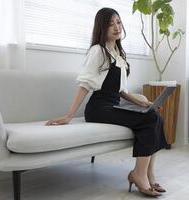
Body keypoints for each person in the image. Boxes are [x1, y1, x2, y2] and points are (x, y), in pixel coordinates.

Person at [46, 7, 167, 197]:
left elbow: (121, 91)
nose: (116, 27)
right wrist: (68, 115)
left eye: (118, 22)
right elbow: (85, 84)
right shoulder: (98, 51)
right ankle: (138, 174)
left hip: (113, 104)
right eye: (110, 24)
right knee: (150, 119)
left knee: (155, 116)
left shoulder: (118, 54)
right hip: (98, 108)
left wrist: (142, 103)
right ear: (102, 28)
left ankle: (149, 174)